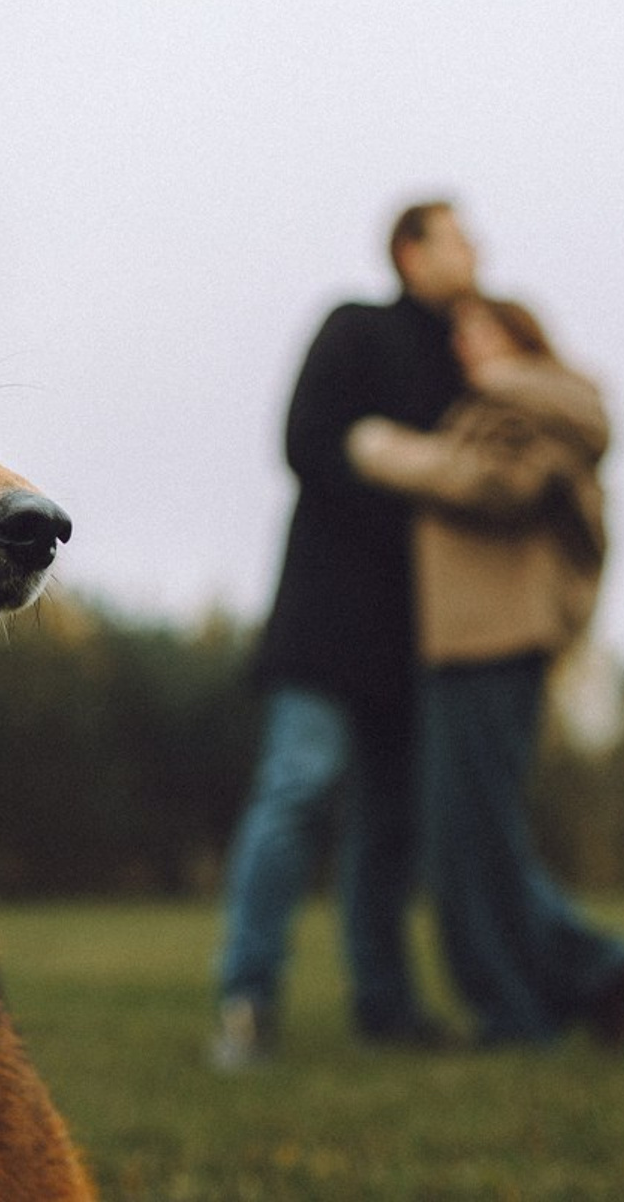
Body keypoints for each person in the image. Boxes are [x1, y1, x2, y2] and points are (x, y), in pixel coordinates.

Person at [346, 293, 624, 1047]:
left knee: (467, 844)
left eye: (480, 331)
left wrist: (383, 450)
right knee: (473, 838)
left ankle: (531, 1003)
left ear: (523, 337)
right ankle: (572, 983)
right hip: (471, 641)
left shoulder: (535, 400)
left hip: (496, 639)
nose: (465, 347)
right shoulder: (529, 404)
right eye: (460, 336)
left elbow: (499, 485)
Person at [211, 202, 470, 1068]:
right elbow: (304, 442)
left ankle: (386, 1006)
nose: (477, 254)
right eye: (459, 239)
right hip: (327, 618)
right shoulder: (354, 328)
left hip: (418, 630)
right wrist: (396, 466)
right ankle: (247, 1003)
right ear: (410, 251)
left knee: (392, 823)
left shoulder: (467, 355)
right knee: (299, 789)